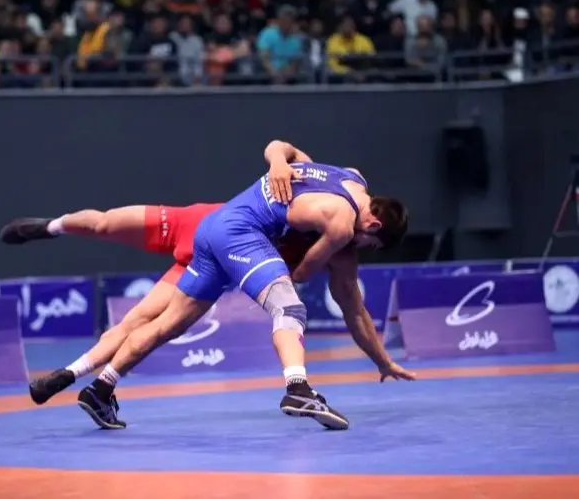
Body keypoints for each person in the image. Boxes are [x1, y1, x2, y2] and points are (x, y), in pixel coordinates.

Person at [80, 152, 410, 431]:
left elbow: (280, 145)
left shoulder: (351, 177)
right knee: (290, 309)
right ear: (373, 225)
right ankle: (298, 388)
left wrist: (278, 162)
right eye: (370, 244)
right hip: (241, 233)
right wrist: (316, 258)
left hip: (213, 227)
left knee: (168, 324)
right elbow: (304, 273)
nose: (361, 247)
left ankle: (101, 387)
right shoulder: (342, 228)